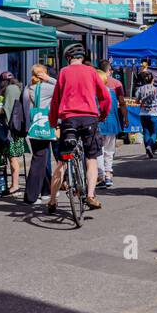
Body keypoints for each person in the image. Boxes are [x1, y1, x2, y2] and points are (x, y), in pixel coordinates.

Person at [46, 45, 111, 214]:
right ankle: (90, 195)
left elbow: (55, 100)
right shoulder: (91, 72)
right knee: (91, 158)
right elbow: (105, 96)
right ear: (82, 57)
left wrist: (53, 122)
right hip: (90, 118)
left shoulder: (64, 72)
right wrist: (102, 114)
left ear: (68, 58)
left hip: (69, 119)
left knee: (62, 161)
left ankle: (52, 201)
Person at [21, 64, 56, 205]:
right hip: (43, 126)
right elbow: (64, 87)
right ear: (44, 74)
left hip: (31, 127)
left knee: (42, 157)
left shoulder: (27, 88)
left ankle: (47, 191)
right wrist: (50, 79)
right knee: (39, 160)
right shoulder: (46, 88)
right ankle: (31, 196)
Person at [95, 64, 127, 189]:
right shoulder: (112, 92)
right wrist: (125, 118)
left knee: (99, 151)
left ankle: (102, 175)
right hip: (112, 123)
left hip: (100, 124)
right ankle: (108, 174)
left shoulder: (95, 93)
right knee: (109, 150)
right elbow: (117, 106)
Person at [0, 72, 27, 195]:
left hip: (12, 129)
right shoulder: (17, 87)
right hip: (18, 127)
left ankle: (15, 185)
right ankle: (14, 184)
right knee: (12, 157)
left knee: (12, 157)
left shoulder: (10, 89)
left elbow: (7, 109)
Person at [134, 70, 157, 158]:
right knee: (155, 132)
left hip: (143, 113)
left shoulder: (140, 89)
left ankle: (147, 152)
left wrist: (142, 101)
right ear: (153, 80)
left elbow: (136, 101)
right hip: (154, 113)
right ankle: (150, 146)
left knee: (146, 131)